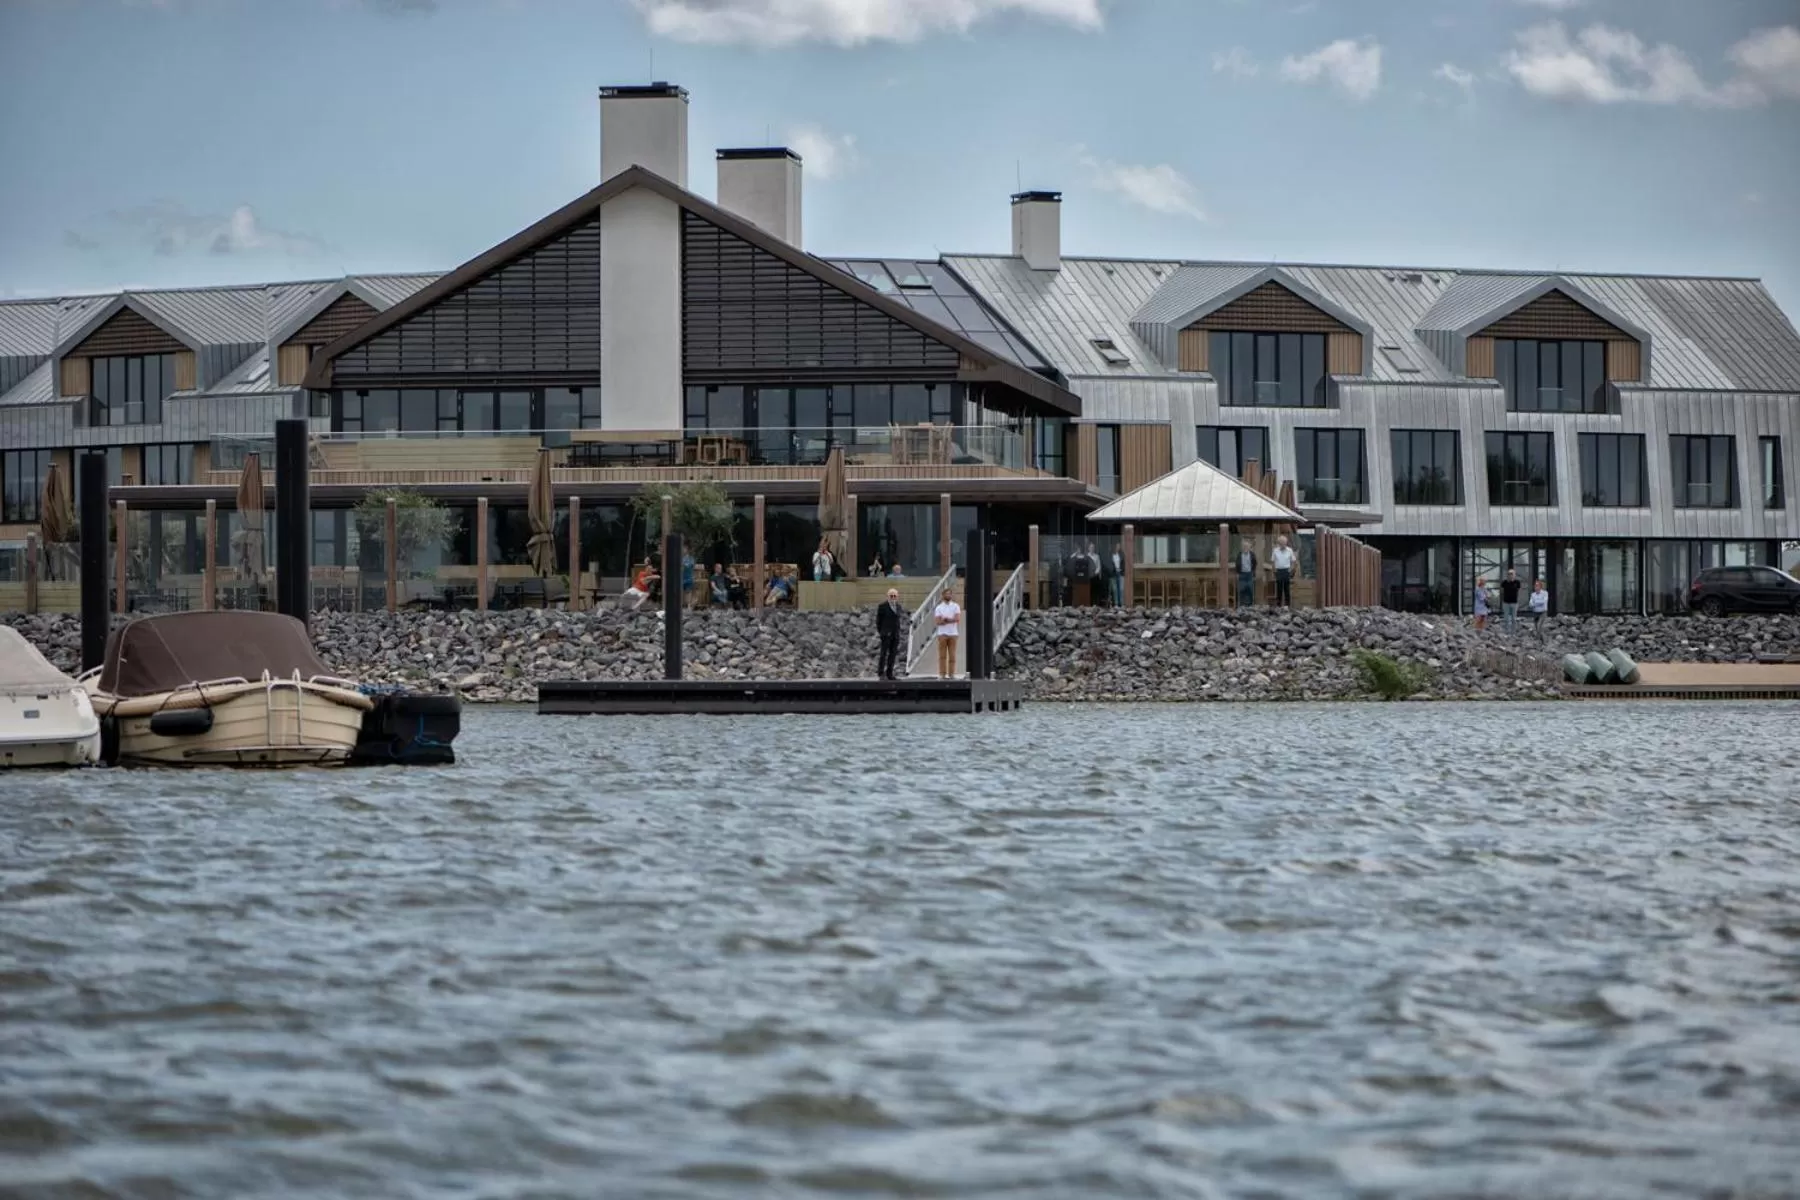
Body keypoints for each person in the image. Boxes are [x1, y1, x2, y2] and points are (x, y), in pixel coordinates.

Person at [875, 586, 905, 680]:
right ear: (888, 596)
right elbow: (878, 621)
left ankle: (890, 673)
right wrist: (882, 632)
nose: (893, 597)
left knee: (893, 654)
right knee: (883, 654)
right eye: (891, 596)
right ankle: (881, 673)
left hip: (895, 634)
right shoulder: (882, 606)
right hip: (886, 633)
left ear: (897, 596)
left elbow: (897, 620)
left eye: (894, 596)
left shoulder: (898, 606)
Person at [933, 586, 962, 679]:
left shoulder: (956, 606)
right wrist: (949, 620)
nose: (948, 595)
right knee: (942, 656)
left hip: (953, 633)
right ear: (943, 595)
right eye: (946, 594)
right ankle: (942, 674)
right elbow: (937, 622)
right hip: (942, 634)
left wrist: (945, 619)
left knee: (952, 656)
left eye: (950, 594)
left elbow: (957, 619)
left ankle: (951, 674)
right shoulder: (939, 607)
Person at [1271, 536, 1296, 607]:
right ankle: (1279, 606)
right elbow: (1272, 561)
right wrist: (1274, 571)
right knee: (1279, 589)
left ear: (1286, 543)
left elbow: (1294, 561)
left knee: (1287, 589)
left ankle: (1287, 606)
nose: (1283, 544)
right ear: (1279, 543)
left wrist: (1291, 570)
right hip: (1278, 571)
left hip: (1286, 571)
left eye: (1284, 543)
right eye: (1281, 543)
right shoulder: (1275, 550)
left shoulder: (1290, 550)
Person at [1235, 540, 1258, 608]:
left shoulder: (1252, 554)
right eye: (1244, 546)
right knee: (1241, 590)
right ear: (1242, 547)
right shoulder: (1239, 554)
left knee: (1250, 590)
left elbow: (1255, 563)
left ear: (1249, 547)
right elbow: (1237, 564)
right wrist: (1237, 573)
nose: (1245, 548)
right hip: (1242, 574)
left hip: (1249, 574)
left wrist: (1253, 572)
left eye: (1247, 546)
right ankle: (1242, 605)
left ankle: (1250, 606)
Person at [1499, 568, 1522, 635]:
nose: (1510, 575)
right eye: (1509, 574)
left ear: (1514, 575)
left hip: (1514, 603)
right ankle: (1507, 632)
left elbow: (1519, 590)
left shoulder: (1517, 582)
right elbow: (1501, 590)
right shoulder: (1504, 582)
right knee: (1506, 618)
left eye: (1511, 574)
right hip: (1506, 602)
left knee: (1514, 619)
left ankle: (1513, 633)